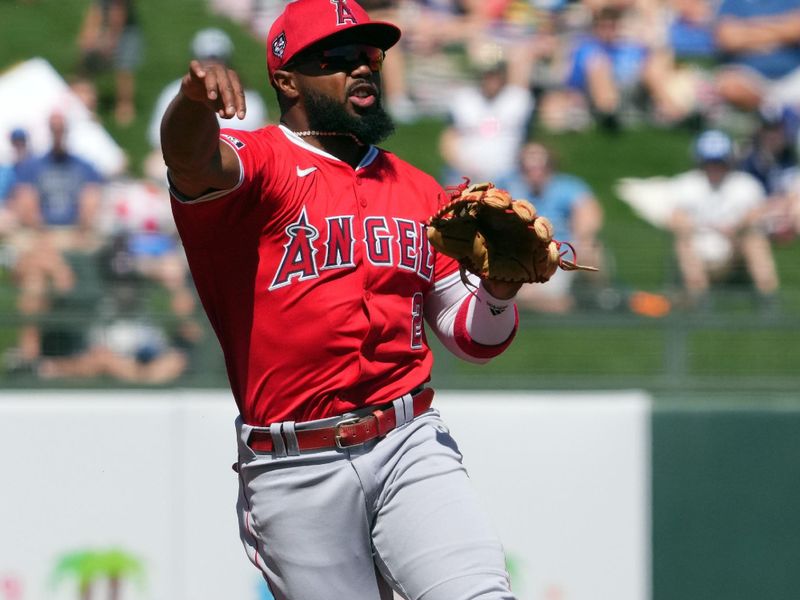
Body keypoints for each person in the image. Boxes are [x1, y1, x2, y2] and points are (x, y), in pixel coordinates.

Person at [159, 0, 526, 598]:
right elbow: (191, 160)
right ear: (286, 80)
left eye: (370, 56)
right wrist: (193, 102)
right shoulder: (262, 164)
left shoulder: (420, 189)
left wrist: (499, 294)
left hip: (408, 440)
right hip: (293, 464)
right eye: (338, 58)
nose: (362, 69)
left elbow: (469, 335)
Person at [7, 112, 104, 368]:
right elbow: (26, 208)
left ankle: (29, 351)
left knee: (35, 275)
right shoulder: (32, 166)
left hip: (70, 235)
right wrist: (51, 246)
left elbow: (89, 208)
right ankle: (59, 271)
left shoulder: (85, 167)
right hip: (42, 235)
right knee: (35, 264)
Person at [667, 129, 780, 310]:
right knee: (683, 243)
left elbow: (757, 213)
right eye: (710, 162)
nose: (714, 167)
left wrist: (736, 229)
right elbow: (675, 218)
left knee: (755, 240)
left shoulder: (744, 184)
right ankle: (699, 298)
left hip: (733, 250)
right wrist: (693, 228)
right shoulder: (687, 185)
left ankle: (767, 297)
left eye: (719, 162)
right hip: (700, 251)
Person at [498, 142, 606, 313]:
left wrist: (581, 239)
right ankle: (569, 306)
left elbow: (590, 215)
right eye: (528, 167)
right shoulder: (508, 187)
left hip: (564, 253)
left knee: (591, 250)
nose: (535, 172)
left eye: (540, 166)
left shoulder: (567, 187)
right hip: (525, 258)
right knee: (521, 292)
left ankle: (603, 299)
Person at [146, 27, 268, 149]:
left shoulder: (248, 97)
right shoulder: (173, 91)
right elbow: (157, 138)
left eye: (217, 59)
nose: (211, 65)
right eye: (205, 58)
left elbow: (257, 141)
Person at [439, 42, 535, 183]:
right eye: (487, 73)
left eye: (496, 73)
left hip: (509, 174)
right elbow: (448, 138)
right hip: (465, 173)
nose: (492, 78)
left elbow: (530, 141)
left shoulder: (519, 99)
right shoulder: (463, 99)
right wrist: (462, 166)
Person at [713, 0, 800, 112]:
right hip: (751, 78)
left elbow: (796, 30)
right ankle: (772, 113)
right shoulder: (732, 3)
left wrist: (747, 31)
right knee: (729, 85)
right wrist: (782, 28)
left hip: (793, 75)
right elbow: (729, 40)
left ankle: (779, 113)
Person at [77, 0, 143, 125]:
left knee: (124, 66)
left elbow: (119, 9)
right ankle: (83, 93)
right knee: (88, 57)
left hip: (126, 29)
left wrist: (112, 39)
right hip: (107, 22)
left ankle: (125, 106)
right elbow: (96, 8)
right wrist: (88, 34)